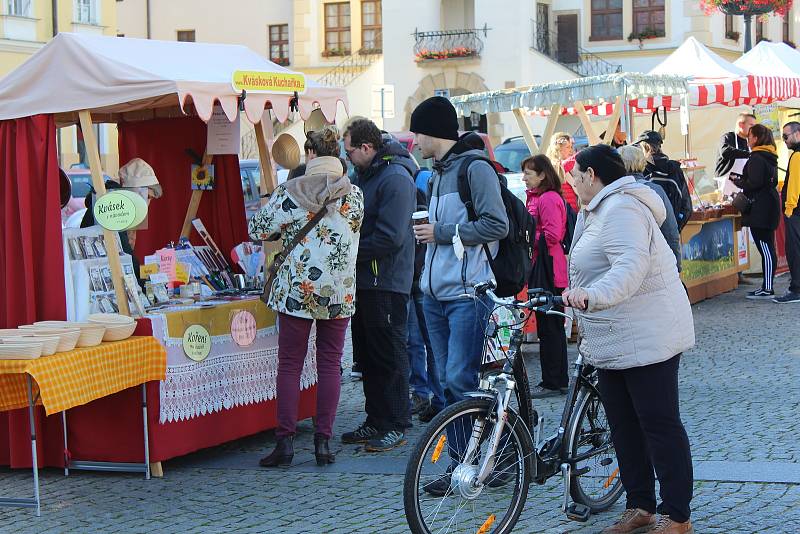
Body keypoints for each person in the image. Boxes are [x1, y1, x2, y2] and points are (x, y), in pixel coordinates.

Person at [563, 144, 695, 534]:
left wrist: (594, 296)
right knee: (623, 425)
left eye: (574, 174)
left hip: (647, 333)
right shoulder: (597, 210)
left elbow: (630, 265)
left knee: (659, 424)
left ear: (591, 176)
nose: (570, 181)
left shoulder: (621, 208)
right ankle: (641, 506)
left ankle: (678, 515)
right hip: (614, 336)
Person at [248, 156, 364, 468]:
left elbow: (256, 229)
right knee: (330, 364)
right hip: (338, 291)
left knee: (289, 366)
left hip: (297, 291)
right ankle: (323, 443)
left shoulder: (290, 194)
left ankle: (284, 443)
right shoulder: (355, 196)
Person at [410, 97, 508, 409]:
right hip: (434, 296)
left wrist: (440, 232)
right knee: (445, 384)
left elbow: (497, 225)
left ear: (431, 132)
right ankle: (460, 458)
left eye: (417, 134)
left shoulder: (475, 169)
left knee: (459, 380)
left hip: (468, 295)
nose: (415, 142)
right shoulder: (436, 174)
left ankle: (491, 451)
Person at [341, 118, 417, 452]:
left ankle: (396, 423)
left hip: (386, 281)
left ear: (367, 148)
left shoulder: (395, 178)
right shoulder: (365, 175)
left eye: (350, 152)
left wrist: (346, 251)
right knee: (368, 358)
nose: (348, 159)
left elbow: (391, 237)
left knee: (390, 355)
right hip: (365, 280)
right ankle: (375, 419)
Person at [521, 155, 568, 398]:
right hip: (543, 264)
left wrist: (527, 237)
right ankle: (555, 380)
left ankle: (554, 381)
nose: (524, 178)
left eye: (529, 173)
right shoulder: (538, 198)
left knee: (550, 328)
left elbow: (553, 235)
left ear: (542, 175)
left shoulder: (548, 199)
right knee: (549, 327)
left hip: (548, 267)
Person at [407, 187, 446, 422]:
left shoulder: (423, 220)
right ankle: (427, 394)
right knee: (419, 343)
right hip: (413, 285)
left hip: (419, 285)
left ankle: (436, 397)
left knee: (426, 343)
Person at [731, 124, 781, 299]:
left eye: (750, 136)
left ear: (757, 138)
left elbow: (754, 183)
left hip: (761, 208)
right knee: (767, 246)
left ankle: (768, 288)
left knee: (765, 247)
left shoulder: (757, 158)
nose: (748, 139)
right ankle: (767, 286)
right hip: (768, 204)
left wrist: (738, 181)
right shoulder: (769, 155)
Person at [618, 145, 682, 271]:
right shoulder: (655, 190)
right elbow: (670, 231)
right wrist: (676, 265)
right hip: (656, 262)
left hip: (626, 266)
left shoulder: (614, 192)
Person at [638, 130, 692, 231]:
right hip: (671, 231)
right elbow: (687, 207)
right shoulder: (674, 168)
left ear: (646, 148)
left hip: (651, 233)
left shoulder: (643, 170)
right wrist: (676, 228)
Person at [775, 121, 800, 303]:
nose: (784, 140)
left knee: (794, 250)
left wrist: (789, 209)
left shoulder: (797, 156)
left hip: (796, 212)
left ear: (797, 134)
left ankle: (796, 289)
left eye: (786, 136)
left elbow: (794, 186)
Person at [715, 113, 756, 179]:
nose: (753, 129)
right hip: (725, 183)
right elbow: (725, 152)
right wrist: (750, 154)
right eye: (751, 125)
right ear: (741, 125)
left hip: (742, 183)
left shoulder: (750, 141)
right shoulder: (728, 137)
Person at [546, 132, 580, 211]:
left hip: (565, 207)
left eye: (571, 147)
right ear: (558, 148)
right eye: (568, 147)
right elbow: (575, 187)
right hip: (568, 208)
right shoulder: (559, 165)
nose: (571, 150)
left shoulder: (552, 165)